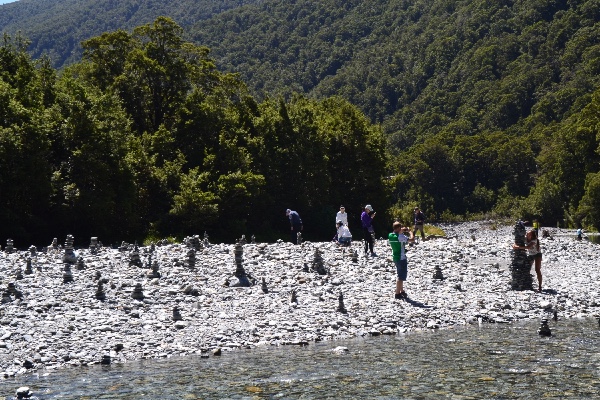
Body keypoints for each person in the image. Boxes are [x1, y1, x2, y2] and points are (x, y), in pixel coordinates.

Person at [389, 222, 414, 299]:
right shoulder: (401, 237)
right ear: (398, 228)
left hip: (395, 257)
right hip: (401, 258)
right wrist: (410, 232)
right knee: (400, 276)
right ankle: (397, 293)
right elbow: (412, 239)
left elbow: (397, 233)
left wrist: (402, 229)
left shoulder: (390, 235)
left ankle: (401, 290)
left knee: (400, 274)